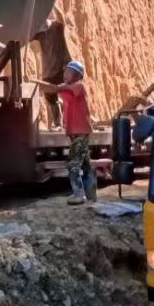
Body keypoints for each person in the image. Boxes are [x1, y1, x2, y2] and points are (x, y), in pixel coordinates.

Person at [39, 60, 96, 205]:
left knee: (72, 163)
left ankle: (79, 195)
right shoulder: (68, 89)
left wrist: (33, 81)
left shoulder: (78, 87)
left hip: (81, 132)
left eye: (68, 72)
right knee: (85, 164)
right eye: (65, 72)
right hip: (76, 133)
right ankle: (91, 195)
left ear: (77, 75)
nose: (64, 74)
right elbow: (52, 90)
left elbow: (53, 88)